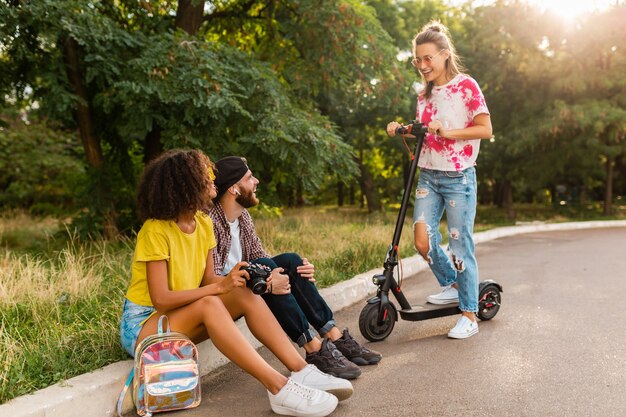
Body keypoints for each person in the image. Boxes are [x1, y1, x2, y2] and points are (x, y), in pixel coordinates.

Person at [119, 149, 354, 417]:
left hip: (180, 315)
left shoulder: (202, 224)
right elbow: (161, 298)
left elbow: (209, 279)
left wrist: (234, 281)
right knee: (209, 303)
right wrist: (219, 287)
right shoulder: (155, 230)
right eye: (207, 180)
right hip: (145, 324)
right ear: (189, 186)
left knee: (241, 291)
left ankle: (301, 370)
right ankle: (278, 388)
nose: (213, 184)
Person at [206, 156, 382, 380]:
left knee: (291, 261)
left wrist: (296, 271)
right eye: (249, 178)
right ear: (233, 188)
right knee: (270, 269)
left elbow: (260, 257)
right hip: (225, 293)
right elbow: (214, 278)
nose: (256, 181)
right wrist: (266, 279)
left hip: (247, 282)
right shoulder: (211, 222)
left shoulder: (243, 218)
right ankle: (314, 349)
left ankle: (334, 336)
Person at [386, 21, 493, 339]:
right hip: (428, 175)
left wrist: (450, 132)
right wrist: (402, 128)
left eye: (427, 58)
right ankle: (451, 283)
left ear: (445, 55)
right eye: (417, 59)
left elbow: (485, 129)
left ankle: (469, 315)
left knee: (461, 245)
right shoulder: (423, 94)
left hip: (459, 177)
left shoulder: (466, 86)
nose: (422, 65)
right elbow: (425, 130)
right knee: (423, 241)